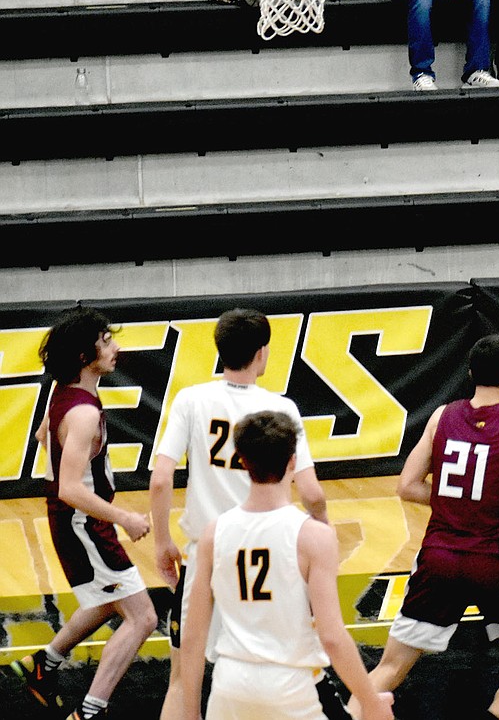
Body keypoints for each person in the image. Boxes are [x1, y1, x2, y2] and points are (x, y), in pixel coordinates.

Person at [350, 334, 499, 720]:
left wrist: (455, 499)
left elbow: (407, 486)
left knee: (390, 668)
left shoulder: (441, 415)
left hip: (437, 560)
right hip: (491, 563)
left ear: (469, 374)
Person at [149, 308, 329, 720]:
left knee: (182, 679)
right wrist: (323, 535)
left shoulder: (191, 399)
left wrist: (162, 542)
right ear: (262, 353)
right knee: (275, 670)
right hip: (271, 558)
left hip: (206, 555)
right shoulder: (282, 408)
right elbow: (313, 493)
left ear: (220, 350)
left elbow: (161, 480)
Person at [181, 409, 395, 720]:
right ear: (293, 461)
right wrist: (371, 702)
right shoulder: (313, 536)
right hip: (290, 686)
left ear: (240, 459)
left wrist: (190, 713)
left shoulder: (214, 533)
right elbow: (332, 636)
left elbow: (194, 633)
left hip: (229, 684)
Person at [3, 306, 158, 720]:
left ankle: (45, 663)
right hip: (83, 524)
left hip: (74, 521)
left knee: (110, 600)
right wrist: (124, 517)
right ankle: (90, 711)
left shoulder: (66, 393)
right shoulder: (84, 411)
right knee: (142, 617)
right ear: (82, 356)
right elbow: (71, 488)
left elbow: (41, 435)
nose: (116, 348)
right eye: (106, 342)